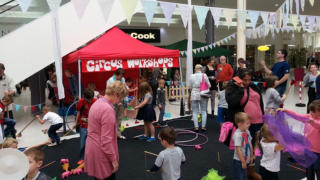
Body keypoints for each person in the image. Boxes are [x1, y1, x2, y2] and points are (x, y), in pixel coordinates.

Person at [85, 81, 128, 180]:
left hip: (92, 148)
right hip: (101, 152)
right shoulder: (107, 109)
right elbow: (106, 141)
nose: (120, 101)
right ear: (116, 94)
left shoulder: (97, 102)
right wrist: (113, 160)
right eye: (120, 98)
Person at [279, 100, 320, 180]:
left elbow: (318, 125)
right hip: (308, 149)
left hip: (318, 152)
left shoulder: (312, 120)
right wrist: (286, 110)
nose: (311, 113)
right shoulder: (309, 117)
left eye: (313, 111)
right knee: (309, 170)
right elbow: (297, 115)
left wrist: (312, 121)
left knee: (318, 170)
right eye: (310, 110)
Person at [226, 69, 264, 146]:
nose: (247, 82)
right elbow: (232, 102)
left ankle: (252, 158)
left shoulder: (253, 86)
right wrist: (240, 88)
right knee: (243, 147)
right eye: (245, 80)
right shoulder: (233, 87)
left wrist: (263, 116)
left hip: (258, 121)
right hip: (244, 123)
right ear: (239, 78)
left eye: (249, 80)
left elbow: (260, 103)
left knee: (254, 146)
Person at [74, 88, 97, 162]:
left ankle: (93, 157)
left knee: (94, 143)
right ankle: (82, 158)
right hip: (83, 125)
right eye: (88, 100)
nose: (90, 101)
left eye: (91, 99)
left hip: (93, 125)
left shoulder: (96, 101)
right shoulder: (81, 102)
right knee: (83, 143)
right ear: (84, 97)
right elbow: (78, 113)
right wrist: (76, 123)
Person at [189, 64, 211, 132]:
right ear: (201, 69)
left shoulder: (191, 76)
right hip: (203, 93)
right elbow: (209, 85)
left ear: (195, 69)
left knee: (195, 111)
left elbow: (190, 87)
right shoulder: (204, 75)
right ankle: (203, 126)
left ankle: (196, 127)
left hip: (194, 94)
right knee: (204, 111)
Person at [106, 68, 126, 139]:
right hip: (113, 102)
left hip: (121, 101)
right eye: (120, 76)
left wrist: (124, 101)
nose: (121, 78)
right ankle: (111, 134)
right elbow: (109, 93)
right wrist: (115, 102)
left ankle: (118, 134)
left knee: (119, 118)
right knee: (112, 118)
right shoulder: (110, 81)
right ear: (116, 75)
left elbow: (124, 90)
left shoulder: (123, 79)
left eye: (122, 76)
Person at [233, 112, 253, 180]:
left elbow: (250, 144)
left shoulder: (247, 131)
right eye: (247, 123)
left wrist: (251, 155)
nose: (249, 125)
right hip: (239, 160)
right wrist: (243, 162)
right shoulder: (237, 135)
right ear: (239, 124)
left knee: (244, 175)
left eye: (249, 123)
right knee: (240, 177)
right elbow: (238, 150)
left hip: (246, 158)